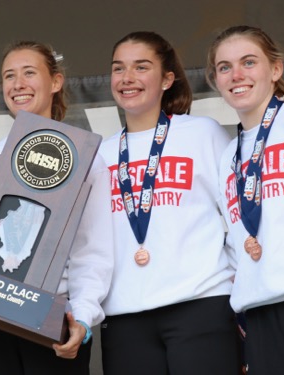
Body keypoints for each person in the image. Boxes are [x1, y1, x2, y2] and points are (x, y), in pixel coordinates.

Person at [0, 41, 114, 375]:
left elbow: (93, 251)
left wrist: (83, 319)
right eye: (9, 76)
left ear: (55, 82)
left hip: (53, 320)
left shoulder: (86, 159)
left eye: (29, 73)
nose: (18, 84)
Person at [98, 31, 241, 375]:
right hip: (124, 316)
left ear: (167, 79)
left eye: (141, 67)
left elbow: (240, 217)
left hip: (202, 305)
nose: (127, 78)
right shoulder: (100, 153)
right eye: (119, 69)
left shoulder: (201, 133)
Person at [206, 25, 284, 374]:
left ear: (275, 69)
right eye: (224, 67)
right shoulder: (230, 154)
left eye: (248, 62)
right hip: (260, 312)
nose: (236, 75)